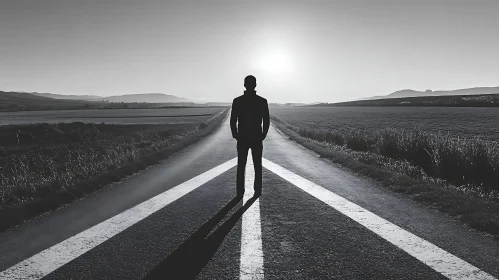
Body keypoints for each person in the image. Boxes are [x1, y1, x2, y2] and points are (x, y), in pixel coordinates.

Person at [230, 75, 270, 197]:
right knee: (257, 165)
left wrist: (235, 134)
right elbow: (266, 120)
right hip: (257, 137)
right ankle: (257, 191)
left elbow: (233, 120)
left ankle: (240, 192)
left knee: (241, 166)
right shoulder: (262, 101)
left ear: (244, 85)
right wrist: (263, 134)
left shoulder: (237, 101)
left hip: (242, 137)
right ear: (255, 85)